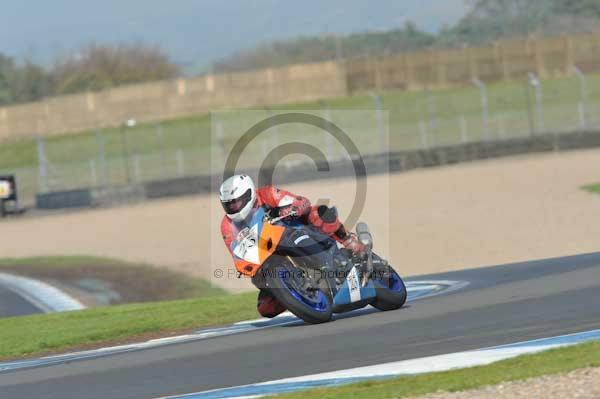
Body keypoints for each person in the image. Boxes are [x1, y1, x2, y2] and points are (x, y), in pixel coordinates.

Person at [219, 174, 364, 318]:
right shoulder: (227, 225)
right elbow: (236, 251)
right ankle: (302, 295)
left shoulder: (267, 194)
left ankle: (348, 240)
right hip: (266, 255)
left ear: (249, 194)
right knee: (266, 307)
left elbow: (302, 202)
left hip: (293, 232)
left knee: (317, 213)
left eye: (236, 202)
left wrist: (292, 208)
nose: (233, 207)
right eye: (228, 205)